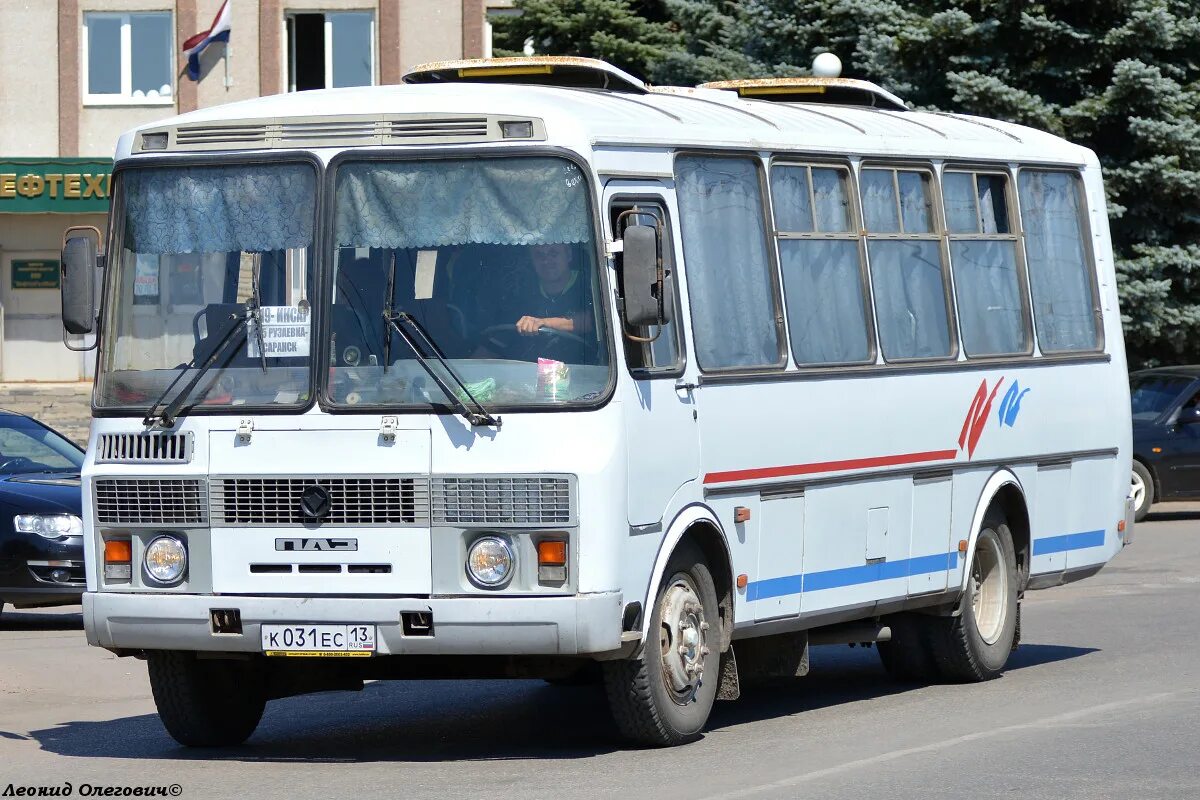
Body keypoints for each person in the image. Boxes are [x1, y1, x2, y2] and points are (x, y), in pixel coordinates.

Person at [513, 242, 593, 336]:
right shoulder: (524, 292)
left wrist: (544, 323)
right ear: (532, 261)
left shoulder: (589, 282)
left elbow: (595, 320)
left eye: (553, 253)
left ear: (568, 255)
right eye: (539, 255)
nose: (546, 261)